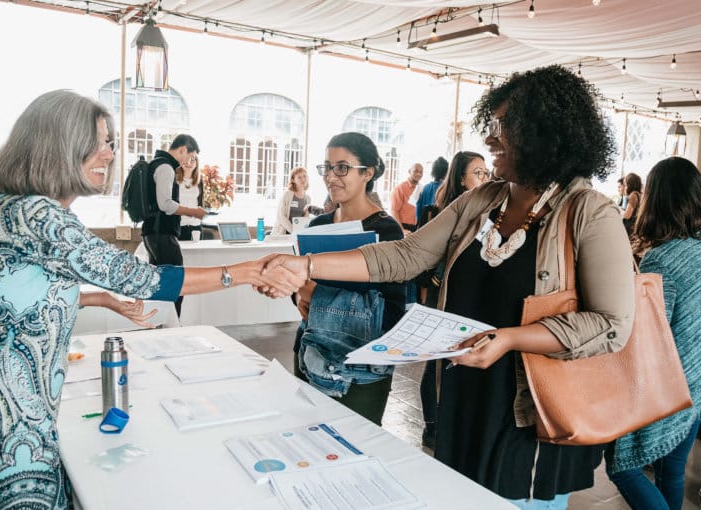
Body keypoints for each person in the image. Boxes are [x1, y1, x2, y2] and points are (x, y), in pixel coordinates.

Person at [264, 65, 634, 508]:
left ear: (544, 130)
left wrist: (509, 339)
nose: (491, 138)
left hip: (529, 409)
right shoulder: (482, 201)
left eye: (502, 126)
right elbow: (405, 255)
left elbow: (612, 324)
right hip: (462, 395)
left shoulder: (590, 213)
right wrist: (306, 264)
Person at [0, 90, 300, 509]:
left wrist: (99, 300)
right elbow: (137, 276)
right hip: (8, 420)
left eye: (111, 143)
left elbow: (20, 301)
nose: (110, 154)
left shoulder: (13, 207)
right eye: (103, 141)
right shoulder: (38, 214)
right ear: (62, 145)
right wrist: (249, 272)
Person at [606, 156, 701, 510]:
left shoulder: (662, 260)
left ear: (655, 199)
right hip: (698, 386)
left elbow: (650, 334)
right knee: (672, 471)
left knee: (623, 467)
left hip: (669, 385)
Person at [293, 132, 406, 425]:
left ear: (368, 172)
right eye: (327, 167)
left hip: (359, 370)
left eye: (342, 168)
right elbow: (297, 278)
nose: (331, 176)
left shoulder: (387, 232)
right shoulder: (318, 225)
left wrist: (315, 295)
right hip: (311, 354)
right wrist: (296, 296)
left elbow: (391, 313)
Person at [416, 150, 487, 449]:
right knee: (435, 362)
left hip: (470, 297)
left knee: (459, 359)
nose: (485, 178)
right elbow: (419, 263)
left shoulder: (489, 215)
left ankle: (453, 422)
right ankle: (433, 425)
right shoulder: (435, 213)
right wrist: (423, 303)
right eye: (478, 173)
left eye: (486, 172)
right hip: (439, 295)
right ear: (461, 177)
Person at [141, 134, 207, 317]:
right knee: (177, 282)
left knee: (158, 282)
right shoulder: (166, 167)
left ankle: (158, 323)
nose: (189, 161)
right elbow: (166, 204)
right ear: (183, 149)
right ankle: (173, 325)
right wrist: (194, 212)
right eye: (190, 155)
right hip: (162, 233)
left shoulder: (156, 163)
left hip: (152, 233)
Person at [273, 166, 311, 234]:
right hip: (283, 233)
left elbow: (305, 219)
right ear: (293, 180)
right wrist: (293, 231)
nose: (303, 179)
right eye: (299, 177)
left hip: (298, 234)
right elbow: (281, 216)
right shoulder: (287, 194)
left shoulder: (308, 198)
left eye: (305, 176)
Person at [176, 153, 204, 241]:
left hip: (195, 226)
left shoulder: (199, 180)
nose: (189, 163)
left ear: (196, 163)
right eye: (186, 160)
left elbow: (200, 202)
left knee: (196, 254)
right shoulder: (174, 179)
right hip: (178, 225)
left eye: (192, 160)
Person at [389, 162, 423, 233]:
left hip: (417, 228)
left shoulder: (422, 188)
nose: (419, 174)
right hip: (403, 227)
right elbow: (394, 211)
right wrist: (401, 230)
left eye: (421, 172)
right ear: (409, 171)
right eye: (415, 171)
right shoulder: (400, 188)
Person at [415, 156, 448, 221]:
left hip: (424, 225)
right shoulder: (446, 188)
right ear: (446, 172)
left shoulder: (425, 188)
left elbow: (418, 209)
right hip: (437, 225)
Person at [621, 172, 642, 237]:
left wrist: (619, 211)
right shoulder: (639, 195)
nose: (625, 188)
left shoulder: (633, 195)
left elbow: (627, 215)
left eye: (626, 185)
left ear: (630, 185)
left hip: (630, 230)